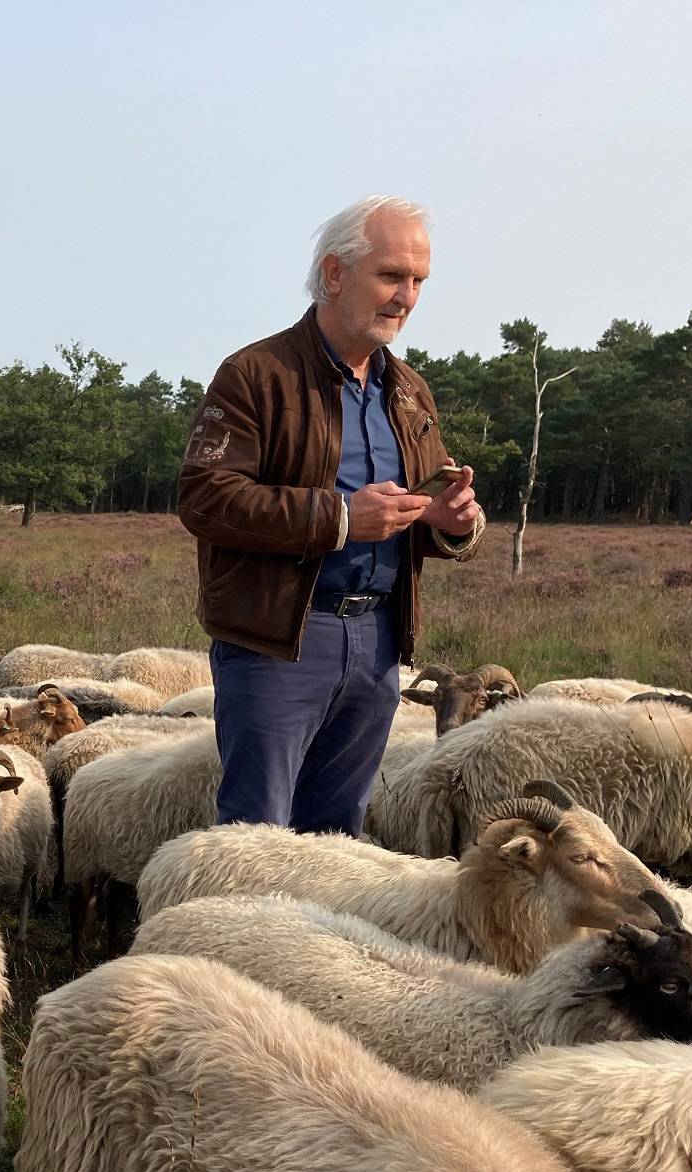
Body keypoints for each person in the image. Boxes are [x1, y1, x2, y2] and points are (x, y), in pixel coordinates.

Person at [177, 194, 484, 836]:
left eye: (418, 281)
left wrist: (454, 525)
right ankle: (234, 940)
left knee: (337, 838)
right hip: (279, 643)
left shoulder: (408, 391)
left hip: (377, 644)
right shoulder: (255, 375)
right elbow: (205, 496)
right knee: (255, 840)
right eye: (392, 276)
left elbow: (417, 514)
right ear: (336, 273)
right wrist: (341, 517)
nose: (406, 296)